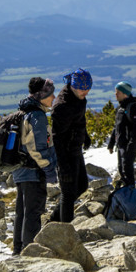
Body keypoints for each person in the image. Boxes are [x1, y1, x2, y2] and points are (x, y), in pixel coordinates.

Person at [12, 76, 58, 255]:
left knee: (22, 213)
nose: (54, 98)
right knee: (33, 212)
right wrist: (49, 169)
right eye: (51, 94)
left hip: (20, 171)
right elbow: (37, 148)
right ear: (41, 95)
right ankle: (29, 252)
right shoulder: (37, 116)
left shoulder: (24, 111)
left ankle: (18, 250)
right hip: (33, 172)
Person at [49, 68, 92, 223]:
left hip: (75, 148)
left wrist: (84, 135)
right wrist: (63, 166)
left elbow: (79, 119)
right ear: (73, 86)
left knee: (81, 186)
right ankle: (64, 231)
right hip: (65, 152)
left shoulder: (79, 98)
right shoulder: (62, 106)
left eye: (88, 89)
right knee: (68, 193)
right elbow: (57, 139)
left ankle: (52, 222)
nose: (85, 93)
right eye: (82, 90)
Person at [107, 81, 136, 189]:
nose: (115, 94)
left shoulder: (134, 107)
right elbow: (116, 127)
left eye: (118, 92)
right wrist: (111, 144)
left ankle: (131, 192)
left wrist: (132, 145)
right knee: (121, 169)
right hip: (121, 144)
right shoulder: (120, 108)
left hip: (129, 144)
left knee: (127, 169)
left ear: (125, 94)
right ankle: (126, 191)